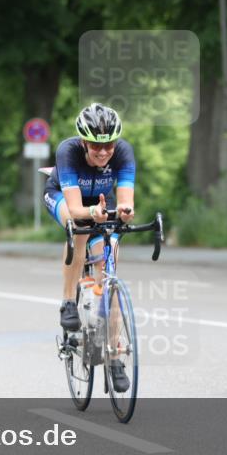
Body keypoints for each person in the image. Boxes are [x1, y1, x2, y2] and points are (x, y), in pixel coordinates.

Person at [43, 102, 135, 391]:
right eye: (96, 146)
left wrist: (124, 211)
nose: (104, 151)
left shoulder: (123, 152)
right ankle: (68, 301)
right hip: (62, 198)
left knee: (109, 279)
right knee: (79, 226)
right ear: (83, 141)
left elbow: (125, 200)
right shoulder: (68, 152)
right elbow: (75, 208)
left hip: (101, 205)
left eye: (108, 145)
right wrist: (92, 212)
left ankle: (113, 355)